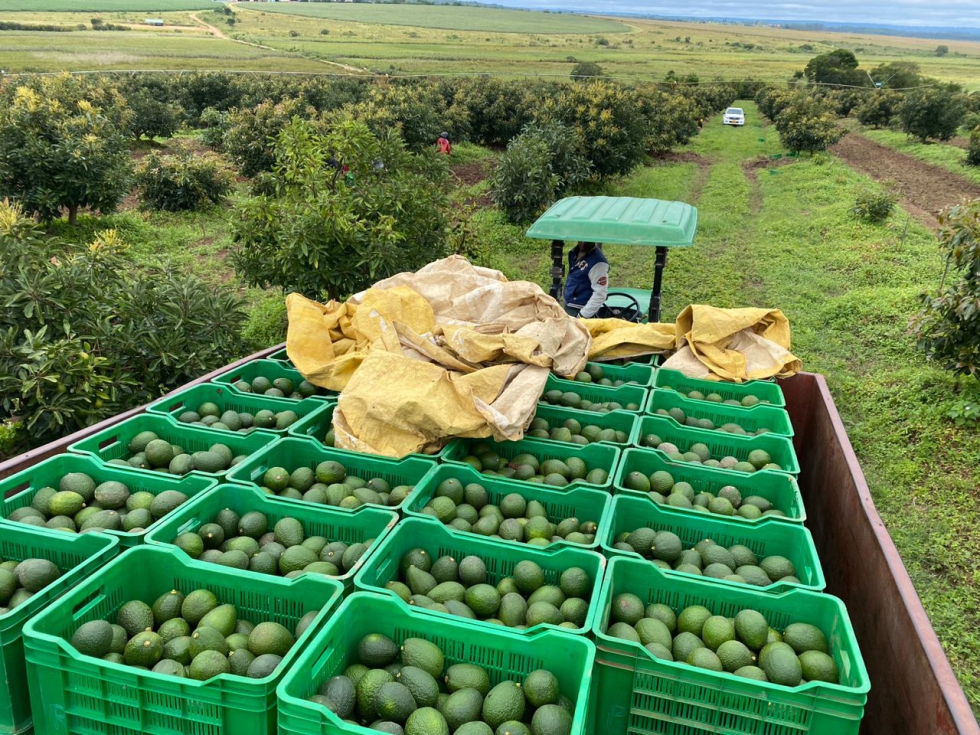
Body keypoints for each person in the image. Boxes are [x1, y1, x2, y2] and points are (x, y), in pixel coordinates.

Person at [564, 241, 609, 318]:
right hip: (569, 305)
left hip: (581, 309)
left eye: (587, 240)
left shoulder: (598, 264)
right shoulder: (574, 253)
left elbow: (600, 294)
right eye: (581, 239)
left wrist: (582, 316)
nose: (583, 243)